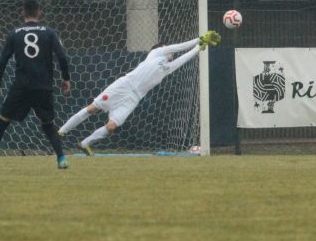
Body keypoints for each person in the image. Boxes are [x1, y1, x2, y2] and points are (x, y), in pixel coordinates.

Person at [58, 31, 221, 155]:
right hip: (124, 86)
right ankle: (62, 131)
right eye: (166, 48)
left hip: (134, 98)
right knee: (93, 108)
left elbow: (183, 58)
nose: (170, 52)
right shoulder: (155, 53)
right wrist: (198, 39)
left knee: (112, 126)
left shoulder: (168, 68)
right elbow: (179, 47)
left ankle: (85, 144)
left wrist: (199, 48)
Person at [0, 0, 71, 171]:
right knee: (48, 125)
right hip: (43, 86)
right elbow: (61, 57)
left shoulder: (14, 34)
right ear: (40, 12)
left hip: (21, 87)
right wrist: (66, 79)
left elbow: (2, 62)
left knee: (1, 124)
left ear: (22, 12)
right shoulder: (49, 32)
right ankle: (61, 159)